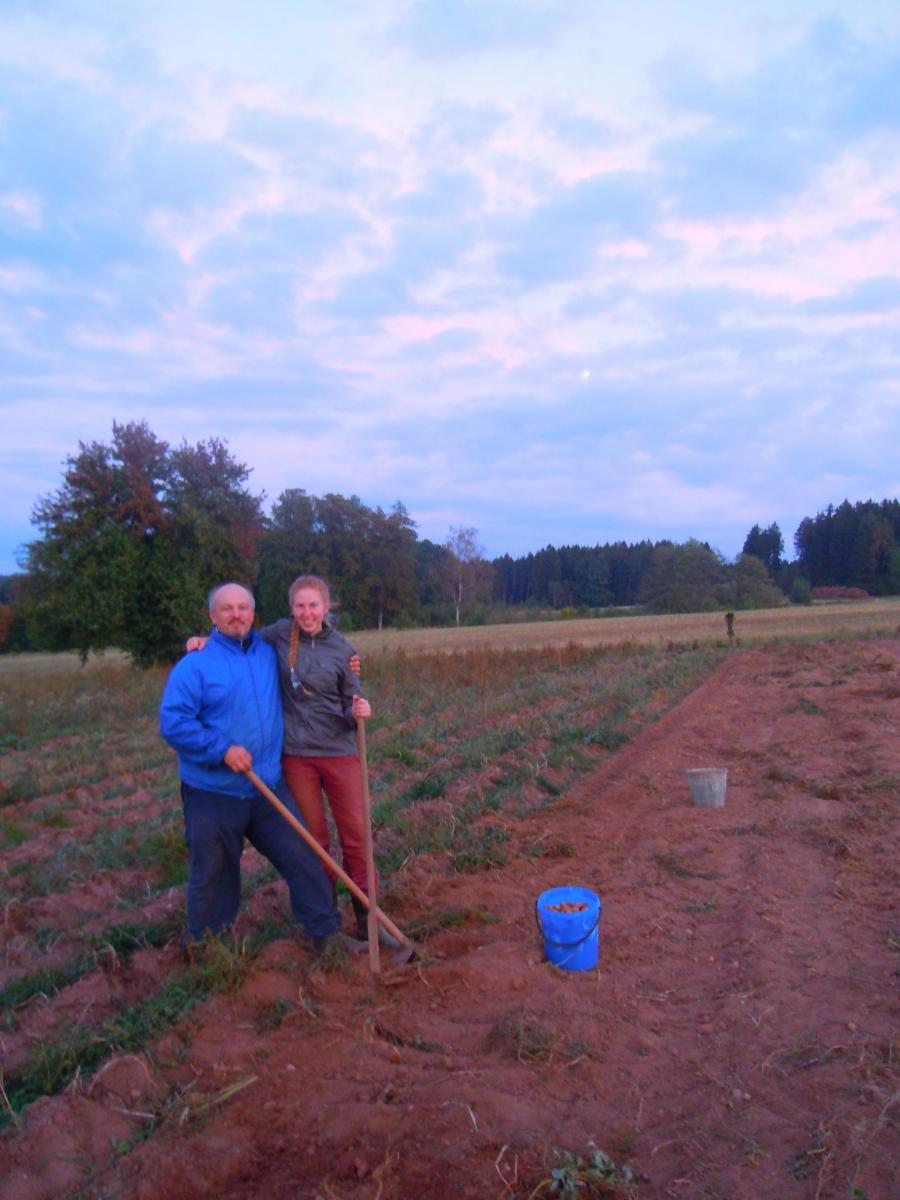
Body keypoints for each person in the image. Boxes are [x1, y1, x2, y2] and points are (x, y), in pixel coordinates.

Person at [187, 575, 397, 948]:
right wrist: (206, 640)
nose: (306, 613)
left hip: (340, 754)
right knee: (313, 842)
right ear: (292, 609)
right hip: (297, 757)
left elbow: (352, 701)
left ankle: (369, 920)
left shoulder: (343, 650)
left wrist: (359, 710)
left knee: (357, 837)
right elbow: (239, 634)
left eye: (313, 605)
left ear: (326, 607)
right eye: (299, 606)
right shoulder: (279, 635)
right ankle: (326, 923)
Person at [160, 582, 342, 954]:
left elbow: (316, 636)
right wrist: (221, 749)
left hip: (266, 785)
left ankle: (325, 933)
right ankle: (207, 949)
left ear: (252, 613)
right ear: (213, 617)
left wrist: (350, 664)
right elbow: (174, 722)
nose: (236, 615)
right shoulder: (196, 664)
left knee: (302, 856)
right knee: (214, 873)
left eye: (243, 607)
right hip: (213, 792)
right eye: (227, 609)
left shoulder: (266, 651)